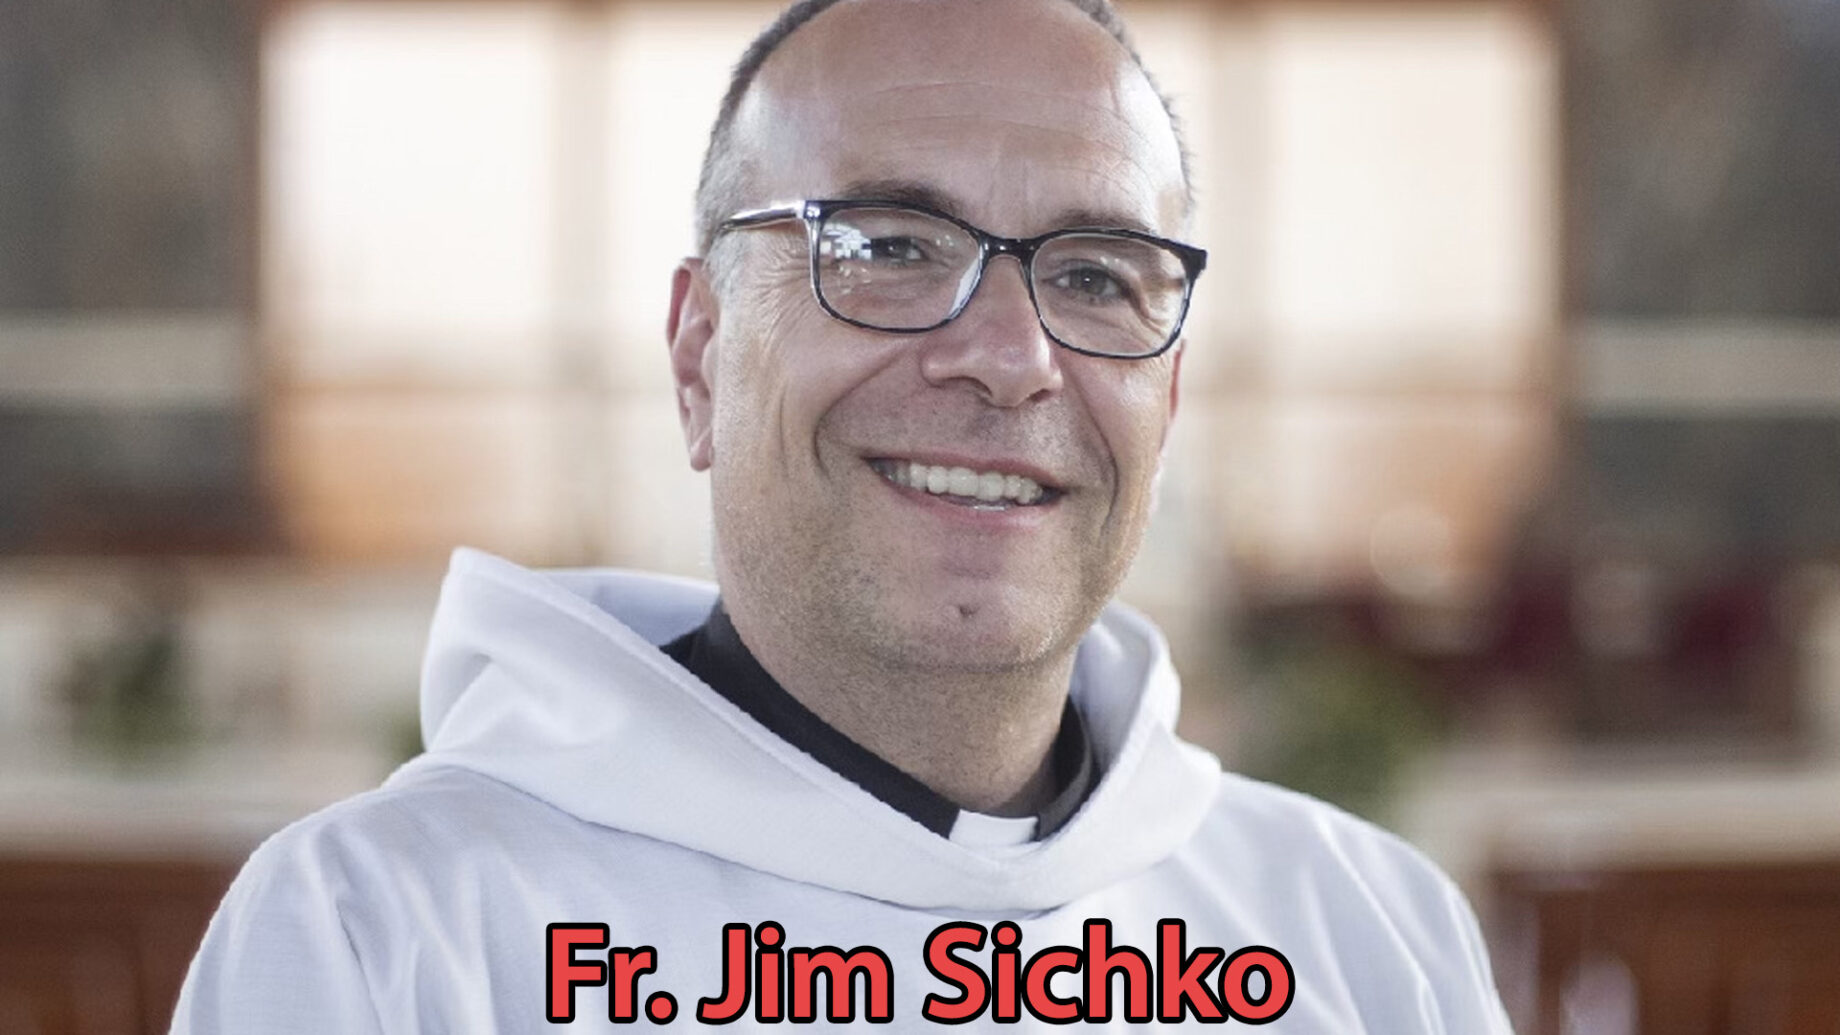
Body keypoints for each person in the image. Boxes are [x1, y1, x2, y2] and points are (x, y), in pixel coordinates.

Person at [171, 0, 1514, 1029]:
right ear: (699, 357)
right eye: (886, 247)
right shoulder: (386, 938)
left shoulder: (1361, 936)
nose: (1011, 355)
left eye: (1099, 275)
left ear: (1167, 397)